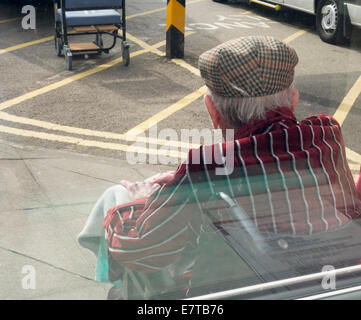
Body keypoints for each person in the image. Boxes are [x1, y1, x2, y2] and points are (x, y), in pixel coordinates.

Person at [78, 36, 361, 299]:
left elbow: (143, 250)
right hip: (329, 287)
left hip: (234, 292)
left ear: (213, 112)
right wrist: (183, 184)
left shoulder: (207, 165)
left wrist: (141, 197)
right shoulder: (326, 133)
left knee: (116, 197)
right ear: (294, 99)